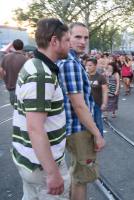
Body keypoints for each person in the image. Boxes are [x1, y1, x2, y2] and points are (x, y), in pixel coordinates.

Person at [12, 18, 70, 199]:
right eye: (67, 40)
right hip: (42, 166)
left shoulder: (35, 65)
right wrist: (52, 173)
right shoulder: (41, 74)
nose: (71, 45)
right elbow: (35, 128)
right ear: (54, 41)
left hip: (32, 161)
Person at [57, 22, 105, 200]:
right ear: (67, 38)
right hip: (79, 129)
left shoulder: (72, 61)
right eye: (77, 36)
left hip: (74, 127)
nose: (83, 41)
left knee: (77, 171)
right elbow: (79, 105)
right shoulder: (71, 64)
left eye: (85, 37)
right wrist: (97, 134)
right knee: (82, 177)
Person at [0, 39, 27, 105]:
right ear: (22, 47)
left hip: (11, 87)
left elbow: (1, 70)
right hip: (23, 89)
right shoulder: (25, 59)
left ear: (14, 47)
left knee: (15, 109)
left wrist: (4, 79)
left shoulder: (6, 57)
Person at [86, 57, 108, 136]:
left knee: (98, 123)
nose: (88, 67)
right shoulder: (85, 76)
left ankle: (100, 138)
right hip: (86, 105)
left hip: (97, 104)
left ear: (95, 66)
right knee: (88, 123)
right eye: (87, 65)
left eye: (90, 65)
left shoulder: (100, 77)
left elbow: (105, 91)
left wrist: (104, 103)